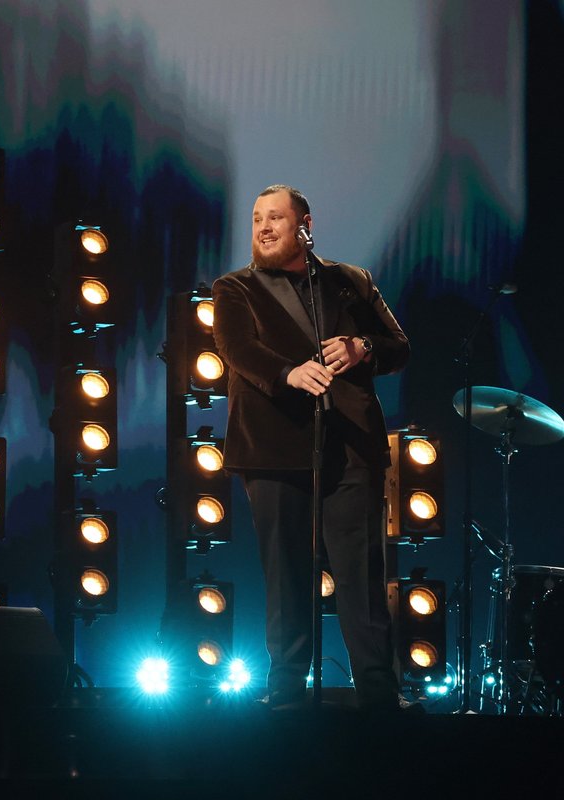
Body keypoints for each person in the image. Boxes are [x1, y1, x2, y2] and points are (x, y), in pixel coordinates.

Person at [212, 184, 410, 711]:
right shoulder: (235, 288)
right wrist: (288, 373)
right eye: (256, 219)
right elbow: (235, 348)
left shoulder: (351, 282)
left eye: (275, 217)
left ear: (305, 225)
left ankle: (378, 693)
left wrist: (362, 347)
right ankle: (286, 694)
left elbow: (399, 346)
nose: (263, 227)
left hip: (351, 449)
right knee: (287, 575)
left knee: (363, 576)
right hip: (273, 447)